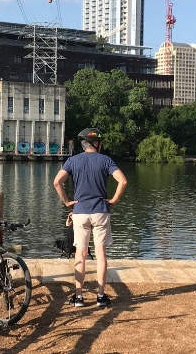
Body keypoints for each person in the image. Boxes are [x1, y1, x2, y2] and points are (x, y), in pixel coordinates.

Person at [53, 127, 127, 307]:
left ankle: (78, 297)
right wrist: (114, 200)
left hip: (80, 212)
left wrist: (67, 202)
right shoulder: (106, 160)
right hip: (101, 211)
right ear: (96, 143)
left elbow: (57, 182)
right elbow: (123, 181)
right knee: (101, 254)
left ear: (84, 144)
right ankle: (101, 296)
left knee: (81, 253)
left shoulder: (73, 161)